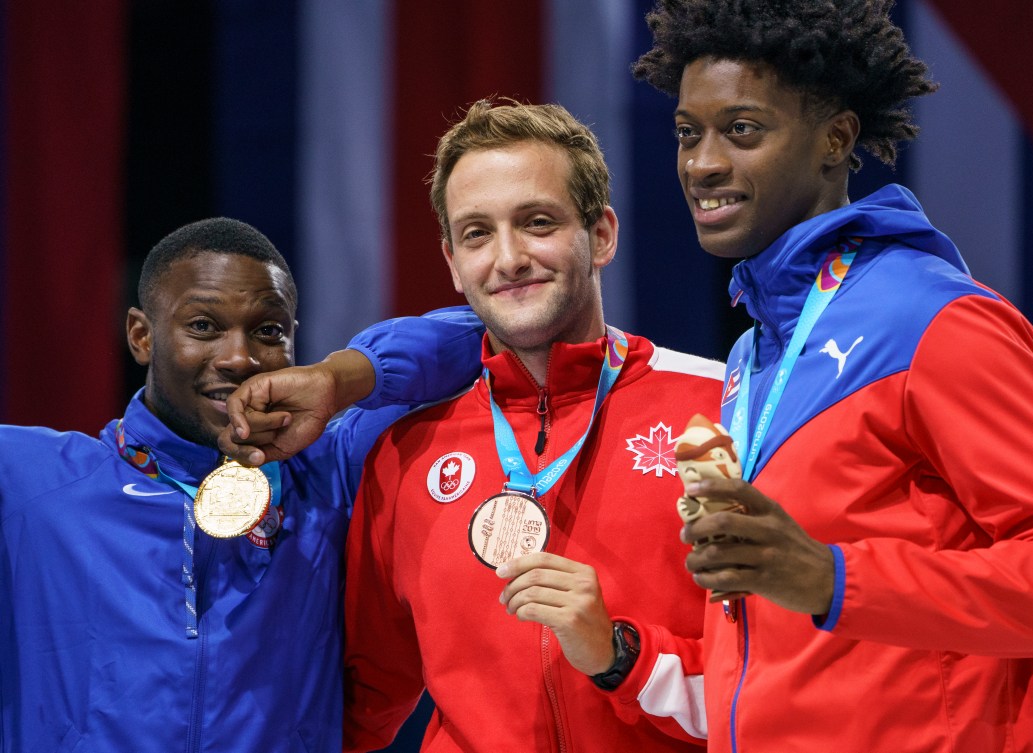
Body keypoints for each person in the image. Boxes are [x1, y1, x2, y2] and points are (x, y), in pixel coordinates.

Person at [221, 99, 725, 751]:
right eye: (477, 233)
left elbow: (782, 685)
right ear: (453, 262)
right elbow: (363, 700)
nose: (509, 258)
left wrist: (620, 656)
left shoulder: (719, 410)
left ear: (600, 234)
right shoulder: (405, 453)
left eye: (537, 222)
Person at [631, 1, 1033, 751]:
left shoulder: (933, 320)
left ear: (835, 139)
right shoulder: (753, 353)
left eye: (741, 130)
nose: (700, 163)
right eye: (686, 133)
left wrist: (834, 581)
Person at [0, 217, 483, 752]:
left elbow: (487, 337)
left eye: (268, 330)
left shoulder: (330, 473)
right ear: (142, 336)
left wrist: (339, 376)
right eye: (203, 326)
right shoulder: (29, 480)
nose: (239, 358)